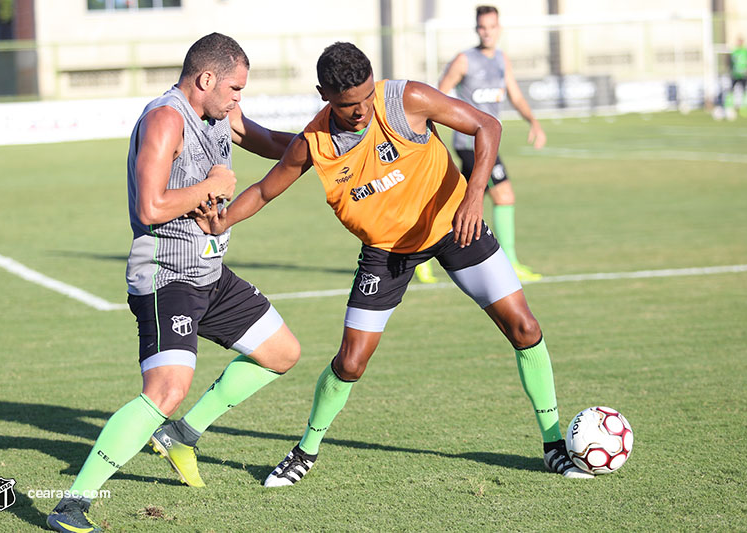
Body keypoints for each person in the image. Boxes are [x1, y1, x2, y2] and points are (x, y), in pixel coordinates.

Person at [221, 41, 592, 489]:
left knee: (525, 328)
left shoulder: (405, 99)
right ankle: (305, 450)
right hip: (387, 252)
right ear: (323, 94)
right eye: (346, 105)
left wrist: (474, 196)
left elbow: (487, 125)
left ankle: (553, 446)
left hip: (456, 225)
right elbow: (263, 191)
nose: (360, 112)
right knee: (352, 362)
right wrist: (218, 221)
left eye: (364, 99)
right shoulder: (314, 143)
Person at [46, 33, 301, 533]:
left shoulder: (220, 113)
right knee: (166, 388)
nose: (238, 99)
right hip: (166, 276)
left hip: (210, 274)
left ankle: (181, 435)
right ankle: (70, 504)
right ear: (206, 79)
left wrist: (332, 145)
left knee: (282, 353)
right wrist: (210, 187)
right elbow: (148, 208)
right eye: (234, 88)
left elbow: (278, 145)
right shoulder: (165, 119)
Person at [416, 5, 546, 285]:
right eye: (481, 27)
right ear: (476, 29)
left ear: (499, 28)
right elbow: (439, 95)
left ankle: (418, 257)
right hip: (470, 142)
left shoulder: (502, 60)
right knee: (505, 195)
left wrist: (533, 122)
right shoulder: (464, 60)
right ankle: (510, 262)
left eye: (491, 27)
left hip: (489, 142)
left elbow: (515, 94)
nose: (486, 32)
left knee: (455, 203)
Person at [726, 36, 747, 118]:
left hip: (744, 74)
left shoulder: (746, 51)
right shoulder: (734, 51)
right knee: (731, 90)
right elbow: (730, 60)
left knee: (745, 90)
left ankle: (744, 109)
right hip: (735, 74)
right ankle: (729, 107)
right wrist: (730, 69)